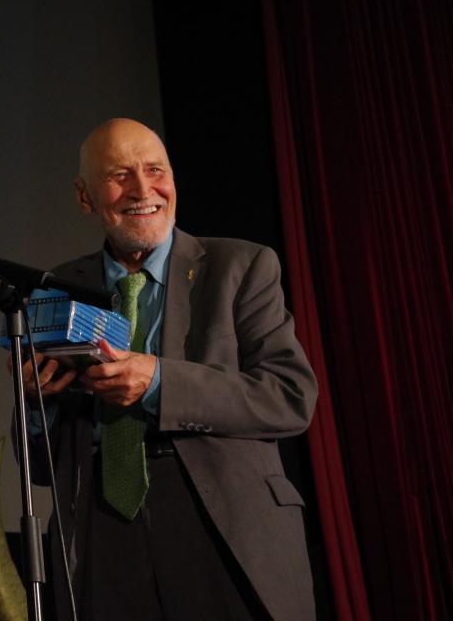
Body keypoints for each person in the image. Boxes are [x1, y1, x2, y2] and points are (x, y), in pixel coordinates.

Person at [19, 118, 317, 620]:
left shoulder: (240, 266)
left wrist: (158, 381)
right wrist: (36, 401)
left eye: (155, 170)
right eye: (119, 175)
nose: (143, 190)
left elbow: (289, 397)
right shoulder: (59, 289)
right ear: (85, 197)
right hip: (101, 528)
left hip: (220, 519)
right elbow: (42, 469)